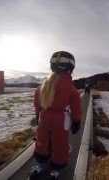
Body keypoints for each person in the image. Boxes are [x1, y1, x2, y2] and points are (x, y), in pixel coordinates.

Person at [30, 51, 82, 179]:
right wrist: (76, 121)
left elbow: (37, 101)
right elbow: (76, 106)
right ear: (70, 68)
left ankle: (40, 165)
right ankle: (57, 168)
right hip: (61, 120)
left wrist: (38, 115)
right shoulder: (70, 87)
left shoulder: (44, 85)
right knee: (60, 143)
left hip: (44, 117)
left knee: (42, 140)